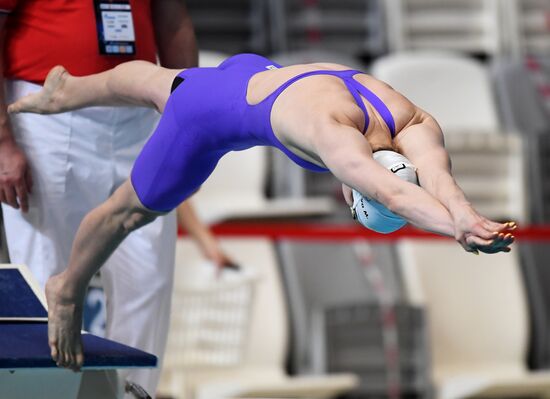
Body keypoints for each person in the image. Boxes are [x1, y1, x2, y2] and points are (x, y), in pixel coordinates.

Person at [8, 53, 516, 371]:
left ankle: (72, 90)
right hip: (206, 116)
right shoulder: (333, 137)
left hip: (251, 70)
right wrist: (456, 227)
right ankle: (67, 287)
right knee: (129, 211)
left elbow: (438, 182)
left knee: (159, 82)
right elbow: (399, 195)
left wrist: (466, 219)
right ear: (358, 196)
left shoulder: (412, 119)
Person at [0, 1, 231, 395]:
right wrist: (3, 138)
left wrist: (194, 137)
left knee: (148, 281)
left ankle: (134, 393)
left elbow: (174, 20)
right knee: (45, 279)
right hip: (45, 113)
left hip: (139, 114)